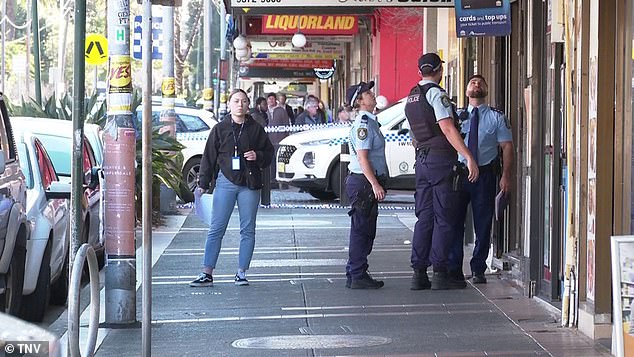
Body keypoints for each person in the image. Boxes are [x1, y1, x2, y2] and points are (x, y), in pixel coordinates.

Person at [404, 52, 479, 291]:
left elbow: (414, 136)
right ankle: (439, 273)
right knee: (444, 217)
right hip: (440, 161)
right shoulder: (436, 94)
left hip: (422, 162)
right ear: (439, 71)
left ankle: (418, 273)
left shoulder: (412, 97)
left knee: (424, 217)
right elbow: (447, 128)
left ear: (419, 72)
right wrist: (468, 156)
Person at [190, 89, 274, 287]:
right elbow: (208, 158)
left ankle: (241, 272)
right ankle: (206, 272)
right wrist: (202, 184)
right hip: (226, 182)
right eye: (236, 101)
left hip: (250, 184)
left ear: (248, 105)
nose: (240, 105)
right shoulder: (220, 129)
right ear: (229, 104)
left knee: (248, 230)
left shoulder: (256, 129)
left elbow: (268, 153)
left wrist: (258, 156)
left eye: (244, 101)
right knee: (216, 228)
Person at [448, 74, 513, 284]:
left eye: (480, 82)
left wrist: (506, 176)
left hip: (485, 174)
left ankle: (478, 269)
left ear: (486, 90)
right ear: (466, 91)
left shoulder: (496, 117)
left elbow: (507, 147)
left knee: (483, 223)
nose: (476, 85)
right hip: (460, 174)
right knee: (455, 222)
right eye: (472, 82)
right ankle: (454, 268)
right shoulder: (456, 117)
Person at [344, 81, 388, 289]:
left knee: (364, 228)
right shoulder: (363, 124)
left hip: (364, 181)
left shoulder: (370, 122)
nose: (373, 95)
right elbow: (363, 158)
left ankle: (355, 271)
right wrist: (375, 184)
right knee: (362, 229)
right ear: (360, 101)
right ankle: (357, 273)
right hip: (363, 182)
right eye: (368, 93)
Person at [266, 92, 290, 185]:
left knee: (280, 160)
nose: (271, 101)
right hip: (269, 141)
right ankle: (272, 179)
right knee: (270, 160)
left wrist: (286, 137)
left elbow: (286, 124)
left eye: (272, 99)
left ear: (275, 100)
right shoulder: (265, 111)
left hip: (280, 139)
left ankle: (282, 180)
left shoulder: (281, 110)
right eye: (269, 99)